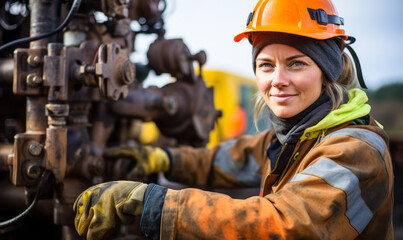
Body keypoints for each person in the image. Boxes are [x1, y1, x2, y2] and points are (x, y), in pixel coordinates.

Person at [73, 0, 394, 239]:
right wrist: (160, 158)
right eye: (266, 65)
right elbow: (221, 161)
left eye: (296, 64)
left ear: (328, 72)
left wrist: (152, 205)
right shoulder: (290, 138)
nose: (277, 80)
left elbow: (287, 225)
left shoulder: (356, 150)